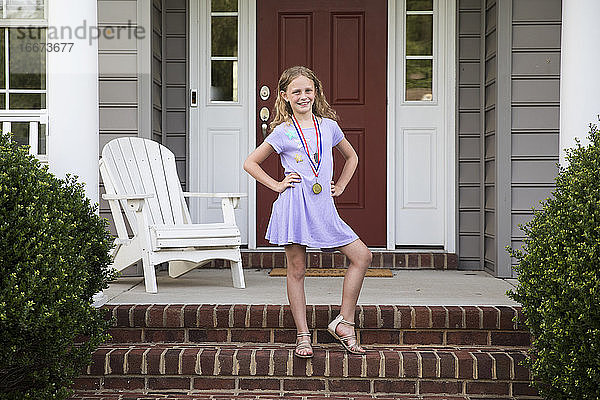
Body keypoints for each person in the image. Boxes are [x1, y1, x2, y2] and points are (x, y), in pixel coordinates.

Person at [244, 66, 372, 358]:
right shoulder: (282, 132)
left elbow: (351, 156)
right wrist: (277, 185)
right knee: (297, 269)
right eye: (296, 92)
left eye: (308, 90)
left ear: (316, 93)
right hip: (294, 205)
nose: (303, 96)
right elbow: (250, 163)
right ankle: (303, 335)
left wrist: (339, 185)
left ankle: (345, 322)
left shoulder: (328, 126)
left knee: (362, 255)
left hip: (322, 206)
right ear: (285, 96)